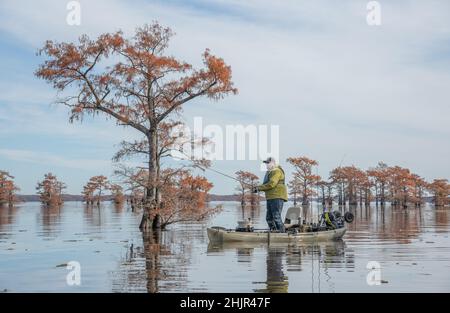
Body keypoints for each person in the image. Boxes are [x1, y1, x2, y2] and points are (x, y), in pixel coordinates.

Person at [253, 157, 288, 232]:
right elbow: (265, 185)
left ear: (273, 163)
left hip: (277, 196)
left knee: (276, 216)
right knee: (268, 218)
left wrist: (259, 188)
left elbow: (272, 184)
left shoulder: (277, 171)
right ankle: (273, 231)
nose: (266, 165)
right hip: (270, 197)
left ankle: (282, 233)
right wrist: (257, 188)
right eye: (266, 163)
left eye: (268, 163)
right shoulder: (269, 172)